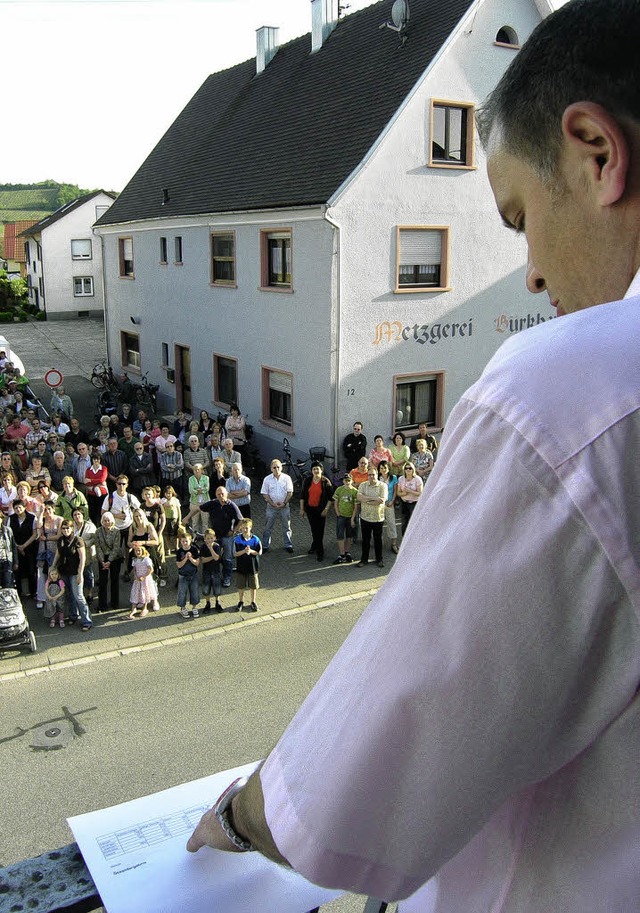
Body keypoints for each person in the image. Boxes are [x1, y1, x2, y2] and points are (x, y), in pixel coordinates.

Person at [187, 2, 640, 909]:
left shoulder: (573, 396)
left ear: (597, 153)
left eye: (518, 218)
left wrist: (242, 817)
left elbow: (378, 755)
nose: (536, 274)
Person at [51, 520, 92, 631]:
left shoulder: (78, 540)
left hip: (75, 572)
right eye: (63, 528)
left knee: (78, 595)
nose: (65, 530)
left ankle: (87, 620)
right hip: (64, 571)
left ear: (72, 528)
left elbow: (82, 558)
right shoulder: (61, 540)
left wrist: (80, 573)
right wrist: (53, 566)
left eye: (68, 528)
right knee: (69, 595)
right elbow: (58, 554)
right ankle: (73, 615)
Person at [199, 486, 243, 587]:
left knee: (227, 557)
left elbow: (241, 519)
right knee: (215, 556)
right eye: (218, 494)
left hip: (227, 536)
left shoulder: (232, 505)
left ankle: (227, 577)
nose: (221, 496)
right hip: (215, 536)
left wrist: (234, 531)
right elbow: (199, 508)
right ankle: (214, 576)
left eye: (222, 494)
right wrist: (187, 517)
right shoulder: (213, 503)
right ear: (216, 495)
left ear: (226, 494)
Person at [299, 462, 333, 562]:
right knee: (314, 530)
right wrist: (302, 509)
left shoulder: (326, 482)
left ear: (321, 470)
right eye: (314, 469)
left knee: (320, 531)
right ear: (311, 470)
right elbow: (302, 496)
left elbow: (331, 498)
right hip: (310, 509)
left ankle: (320, 551)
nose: (316, 471)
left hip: (321, 510)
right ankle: (315, 545)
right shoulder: (307, 480)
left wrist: (326, 509)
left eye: (318, 469)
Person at [355, 465, 386, 568]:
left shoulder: (383, 486)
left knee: (378, 540)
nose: (371, 477)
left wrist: (367, 500)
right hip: (365, 518)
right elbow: (359, 497)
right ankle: (364, 559)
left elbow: (382, 500)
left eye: (373, 474)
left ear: (377, 475)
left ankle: (379, 559)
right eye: (369, 475)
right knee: (365, 540)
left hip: (378, 518)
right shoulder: (363, 485)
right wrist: (374, 499)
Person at [260, 459, 293, 553]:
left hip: (284, 507)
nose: (276, 469)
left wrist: (284, 503)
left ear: (281, 468)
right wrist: (272, 503)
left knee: (286, 526)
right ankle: (265, 546)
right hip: (271, 507)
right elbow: (265, 494)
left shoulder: (287, 478)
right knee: (268, 527)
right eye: (274, 467)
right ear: (271, 469)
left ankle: (288, 544)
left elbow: (290, 492)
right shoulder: (267, 479)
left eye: (278, 467)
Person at [95, 511, 122, 612]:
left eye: (109, 520)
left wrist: (109, 561)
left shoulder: (116, 531)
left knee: (114, 580)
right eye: (105, 520)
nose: (107, 522)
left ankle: (115, 603)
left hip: (115, 558)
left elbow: (116, 547)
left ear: (112, 521)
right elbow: (98, 547)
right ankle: (102, 604)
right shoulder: (98, 531)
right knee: (102, 582)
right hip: (102, 558)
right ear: (102, 521)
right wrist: (102, 561)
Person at [232, 518, 262, 613]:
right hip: (241, 567)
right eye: (243, 528)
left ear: (251, 528)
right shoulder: (236, 540)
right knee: (241, 586)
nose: (245, 530)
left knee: (253, 586)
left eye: (247, 528)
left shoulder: (256, 539)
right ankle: (241, 601)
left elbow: (259, 552)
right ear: (241, 528)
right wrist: (244, 551)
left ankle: (253, 601)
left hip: (253, 567)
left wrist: (251, 551)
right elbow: (234, 554)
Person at [331, 472, 358, 564]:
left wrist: (352, 518)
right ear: (343, 481)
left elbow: (356, 506)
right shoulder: (339, 490)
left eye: (349, 480)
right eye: (346, 480)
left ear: (352, 480)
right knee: (340, 534)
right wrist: (338, 513)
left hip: (350, 516)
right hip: (341, 516)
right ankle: (342, 554)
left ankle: (347, 552)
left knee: (349, 535)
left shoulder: (355, 491)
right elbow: (335, 502)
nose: (347, 482)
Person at [128, 544, 159, 618]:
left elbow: (150, 569)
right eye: (136, 551)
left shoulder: (146, 559)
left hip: (145, 579)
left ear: (142, 551)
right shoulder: (135, 560)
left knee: (146, 592)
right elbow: (135, 568)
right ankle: (134, 608)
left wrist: (144, 576)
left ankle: (145, 607)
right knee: (137, 591)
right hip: (138, 579)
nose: (137, 552)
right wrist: (135, 575)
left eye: (139, 550)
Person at [176, 528, 200, 619]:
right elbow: (179, 565)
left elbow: (197, 563)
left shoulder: (194, 550)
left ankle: (194, 607)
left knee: (194, 591)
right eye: (183, 541)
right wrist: (186, 558)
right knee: (182, 592)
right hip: (183, 575)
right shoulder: (179, 552)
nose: (184, 543)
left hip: (193, 575)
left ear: (190, 541)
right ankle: (183, 608)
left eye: (186, 541)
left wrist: (191, 558)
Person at [377, 459, 399, 553]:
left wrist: (392, 501)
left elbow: (395, 491)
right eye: (381, 468)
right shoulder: (377, 478)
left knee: (391, 523)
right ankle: (379, 542)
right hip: (379, 505)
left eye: (385, 468)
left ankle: (393, 544)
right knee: (379, 524)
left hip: (389, 503)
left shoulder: (393, 478)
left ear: (388, 468)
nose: (383, 470)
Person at [200, 528, 223, 614]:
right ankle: (207, 603)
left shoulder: (216, 546)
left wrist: (211, 549)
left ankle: (217, 602)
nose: (209, 540)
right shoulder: (202, 547)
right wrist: (212, 557)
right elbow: (202, 560)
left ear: (214, 538)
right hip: (206, 571)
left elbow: (217, 558)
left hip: (216, 571)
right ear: (204, 539)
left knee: (217, 588)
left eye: (211, 538)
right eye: (208, 538)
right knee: (206, 588)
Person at [396, 462, 423, 534]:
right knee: (404, 524)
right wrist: (404, 493)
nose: (408, 470)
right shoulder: (401, 479)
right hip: (404, 503)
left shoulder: (417, 479)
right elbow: (398, 493)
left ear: (413, 469)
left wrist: (409, 491)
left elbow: (420, 493)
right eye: (406, 468)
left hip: (414, 504)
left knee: (413, 523)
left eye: (410, 468)